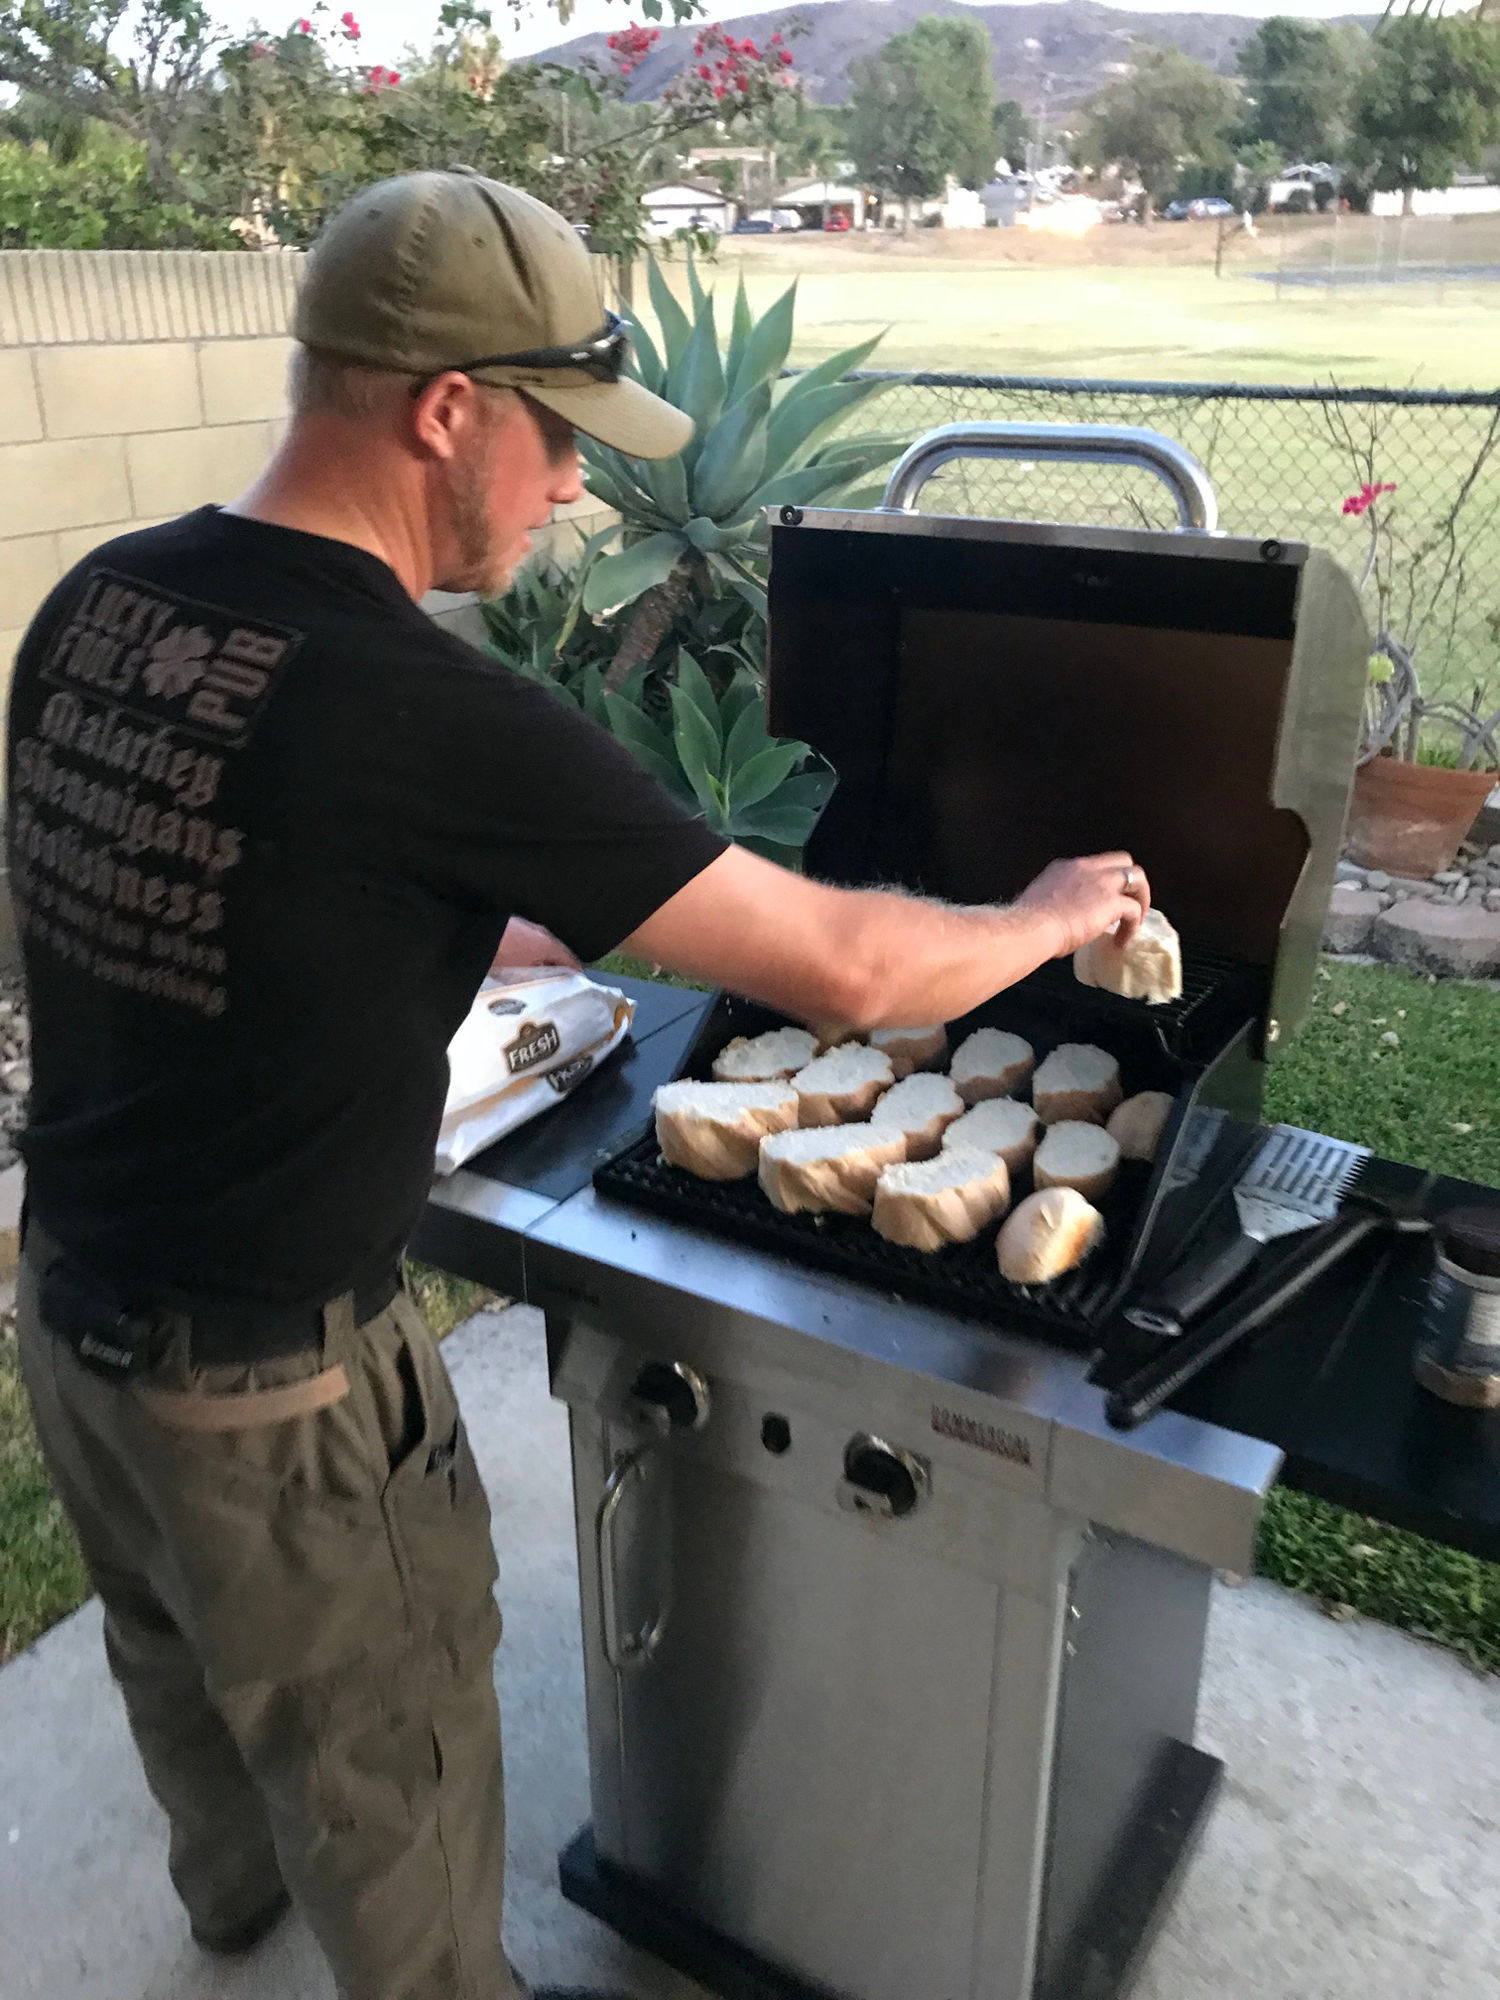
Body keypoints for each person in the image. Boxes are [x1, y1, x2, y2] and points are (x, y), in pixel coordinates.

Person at [4, 170, 1149, 2000]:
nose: (573, 492)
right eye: (559, 442)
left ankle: (229, 1911)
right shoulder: (416, 704)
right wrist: (1039, 910)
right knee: (391, 1758)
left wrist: (477, 911)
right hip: (271, 1393)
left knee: (180, 1658)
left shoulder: (100, 604)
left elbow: (217, 853)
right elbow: (854, 973)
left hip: (71, 1312)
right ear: (446, 409)